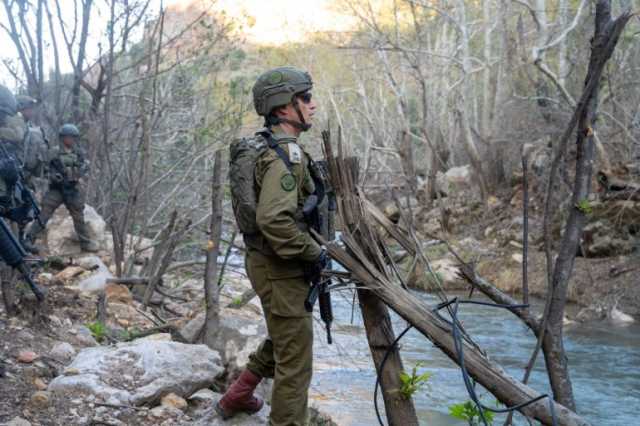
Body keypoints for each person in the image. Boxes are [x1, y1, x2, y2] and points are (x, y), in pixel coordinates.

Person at [218, 67, 329, 424]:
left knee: (287, 336)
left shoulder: (276, 149)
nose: (312, 105)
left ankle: (238, 393)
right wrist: (315, 252)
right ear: (283, 107)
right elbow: (274, 220)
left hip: (270, 264)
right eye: (306, 98)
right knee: (295, 366)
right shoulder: (286, 158)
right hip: (280, 267)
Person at [26, 124, 98, 253]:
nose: (71, 140)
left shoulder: (78, 153)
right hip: (57, 189)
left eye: (73, 137)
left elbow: (85, 168)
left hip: (72, 189)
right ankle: (28, 239)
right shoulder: (54, 152)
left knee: (78, 216)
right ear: (63, 138)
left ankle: (85, 243)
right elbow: (44, 170)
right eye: (69, 137)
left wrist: (80, 176)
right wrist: (53, 177)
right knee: (44, 214)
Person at [15, 95, 48, 194]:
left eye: (32, 108)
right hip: (14, 174)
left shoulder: (32, 129)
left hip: (27, 177)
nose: (32, 111)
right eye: (29, 108)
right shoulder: (13, 125)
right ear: (21, 109)